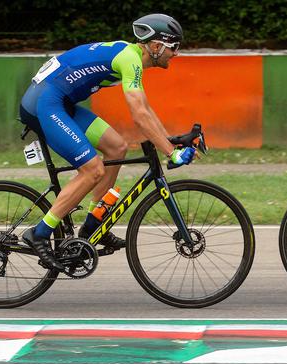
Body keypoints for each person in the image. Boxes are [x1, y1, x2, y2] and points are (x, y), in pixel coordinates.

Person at [18, 13, 196, 271]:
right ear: (156, 46)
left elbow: (145, 109)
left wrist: (169, 142)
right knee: (92, 169)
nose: (176, 53)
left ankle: (93, 225)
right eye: (174, 47)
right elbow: (138, 116)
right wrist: (171, 153)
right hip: (44, 103)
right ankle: (40, 233)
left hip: (61, 102)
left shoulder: (131, 56)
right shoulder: (129, 59)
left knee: (117, 147)